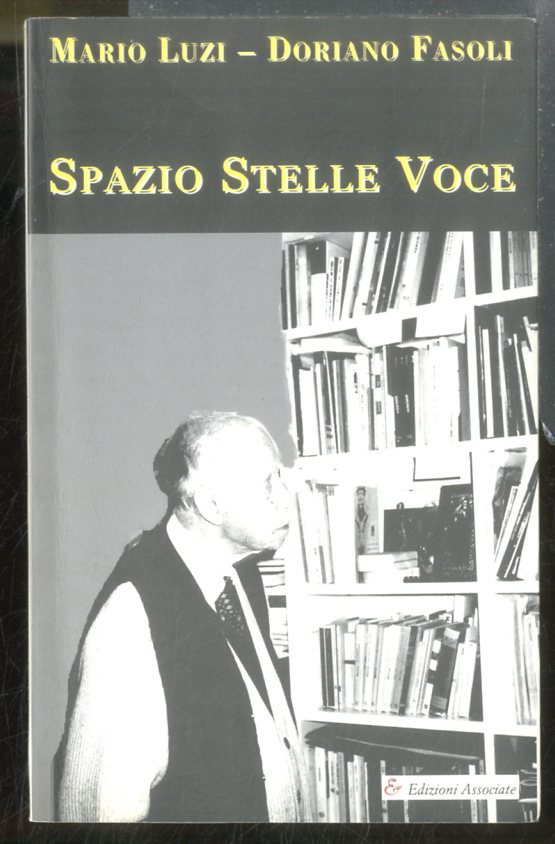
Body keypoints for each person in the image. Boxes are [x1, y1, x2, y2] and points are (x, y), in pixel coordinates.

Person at [54, 411, 312, 823]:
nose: (286, 496)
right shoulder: (130, 619)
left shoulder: (241, 571)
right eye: (268, 484)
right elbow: (96, 816)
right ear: (211, 505)